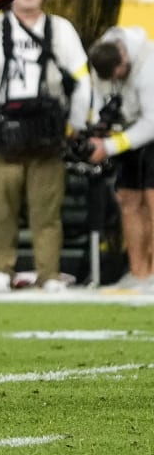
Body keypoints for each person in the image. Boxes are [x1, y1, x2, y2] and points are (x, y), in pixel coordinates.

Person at [0, 0, 89, 293]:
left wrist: (75, 124)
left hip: (46, 131)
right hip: (3, 129)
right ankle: (1, 268)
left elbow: (81, 79)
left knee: (47, 209)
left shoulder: (60, 29)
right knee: (1, 206)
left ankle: (49, 273)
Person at [87, 27, 154, 288]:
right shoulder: (101, 63)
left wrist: (111, 146)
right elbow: (100, 101)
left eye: (119, 73)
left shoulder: (148, 64)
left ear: (124, 57)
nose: (116, 77)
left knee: (152, 200)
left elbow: (151, 122)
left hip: (148, 128)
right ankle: (138, 274)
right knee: (128, 199)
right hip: (128, 132)